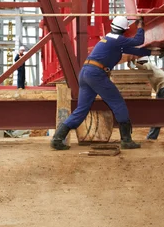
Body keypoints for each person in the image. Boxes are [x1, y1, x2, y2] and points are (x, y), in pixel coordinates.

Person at [51, 16, 158, 150]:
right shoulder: (117, 40)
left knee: (82, 109)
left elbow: (134, 50)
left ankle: (57, 139)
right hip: (96, 74)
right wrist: (140, 25)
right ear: (124, 30)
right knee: (118, 103)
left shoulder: (110, 39)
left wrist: (152, 52)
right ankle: (126, 140)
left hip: (86, 73)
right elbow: (138, 41)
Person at [131, 56, 164, 140]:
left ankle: (152, 137)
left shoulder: (148, 65)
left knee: (158, 113)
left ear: (141, 63)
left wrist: (133, 61)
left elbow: (142, 67)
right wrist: (130, 65)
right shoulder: (149, 70)